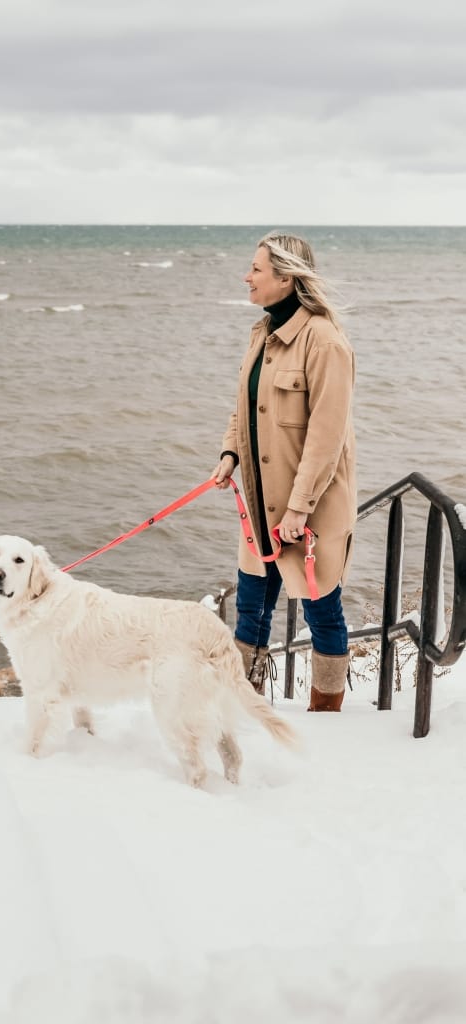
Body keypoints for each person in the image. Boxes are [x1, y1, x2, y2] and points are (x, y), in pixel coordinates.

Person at [213, 232, 356, 711]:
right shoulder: (261, 332)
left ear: (287, 277)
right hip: (259, 504)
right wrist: (230, 453)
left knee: (322, 611)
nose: (246, 276)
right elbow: (244, 407)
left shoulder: (325, 341)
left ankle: (327, 710)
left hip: (307, 509)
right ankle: (244, 705)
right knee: (251, 607)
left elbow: (326, 437)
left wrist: (298, 510)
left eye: (256, 269)